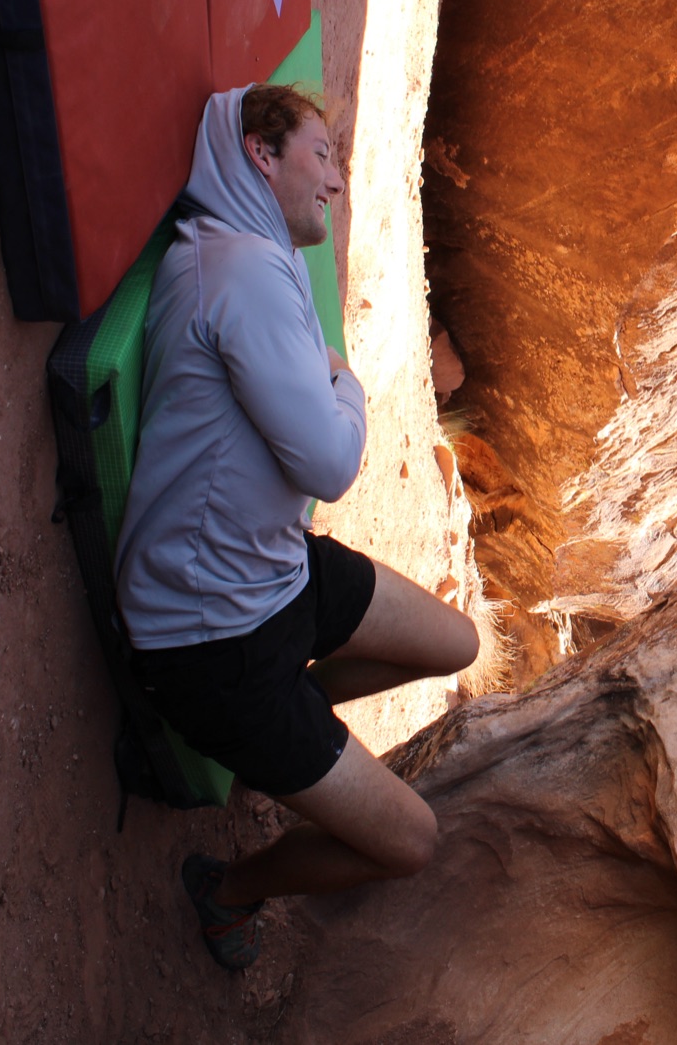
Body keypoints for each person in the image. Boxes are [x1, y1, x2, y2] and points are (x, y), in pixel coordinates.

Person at [116, 83, 478, 970]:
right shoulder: (237, 271)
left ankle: (286, 742)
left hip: (273, 579)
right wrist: (347, 384)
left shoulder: (251, 259)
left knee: (455, 641)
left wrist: (329, 382)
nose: (338, 181)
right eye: (323, 154)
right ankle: (227, 889)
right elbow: (331, 463)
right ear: (259, 154)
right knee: (413, 841)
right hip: (212, 642)